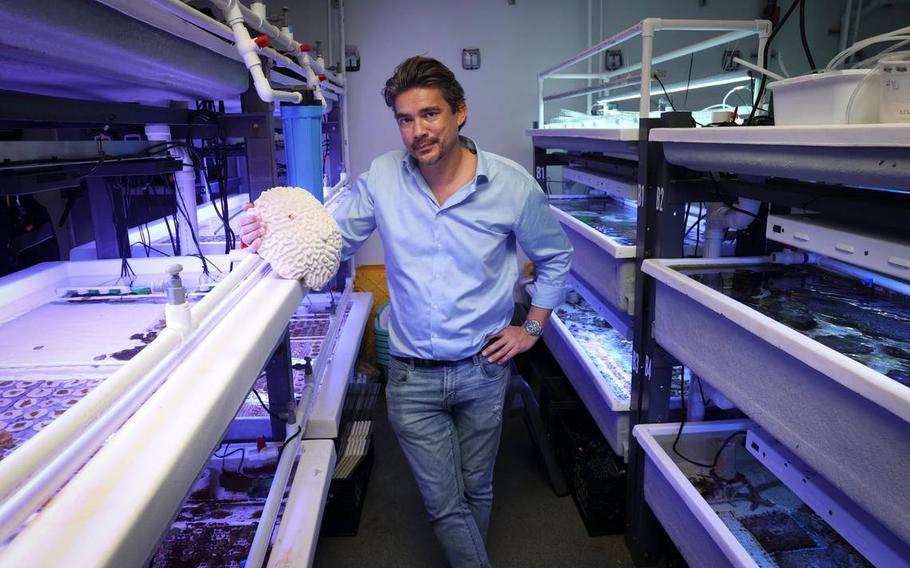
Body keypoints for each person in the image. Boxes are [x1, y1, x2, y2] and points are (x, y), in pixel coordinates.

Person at [240, 56, 572, 567]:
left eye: (430, 115)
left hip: (485, 368)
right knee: (443, 504)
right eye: (405, 119)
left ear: (460, 113)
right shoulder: (383, 179)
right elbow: (331, 240)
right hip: (412, 377)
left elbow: (554, 256)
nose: (417, 131)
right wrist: (273, 233)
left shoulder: (510, 185)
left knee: (477, 488)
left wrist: (531, 329)